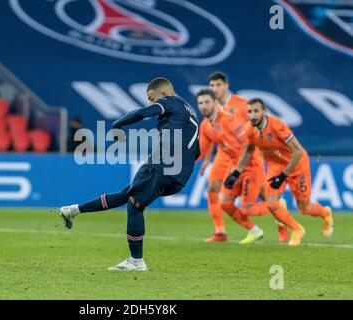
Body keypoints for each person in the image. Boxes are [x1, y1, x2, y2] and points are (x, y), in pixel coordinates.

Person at [58, 77, 200, 271]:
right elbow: (197, 152)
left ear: (163, 94)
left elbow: (142, 113)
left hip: (161, 165)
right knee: (129, 195)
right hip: (179, 177)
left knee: (134, 204)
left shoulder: (169, 101)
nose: (152, 102)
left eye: (152, 98)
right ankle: (73, 210)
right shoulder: (190, 113)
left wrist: (117, 124)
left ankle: (136, 261)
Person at [225, 98, 334, 245]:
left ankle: (325, 213)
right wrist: (236, 172)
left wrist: (283, 176)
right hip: (275, 166)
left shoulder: (278, 126)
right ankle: (297, 229)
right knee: (271, 203)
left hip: (297, 165)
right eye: (249, 112)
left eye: (256, 111)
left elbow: (298, 153)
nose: (252, 115)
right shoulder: (250, 129)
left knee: (304, 208)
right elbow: (249, 151)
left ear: (264, 111)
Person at [199, 72, 289, 243]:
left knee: (262, 194)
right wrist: (206, 159)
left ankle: (280, 216)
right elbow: (211, 133)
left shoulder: (241, 104)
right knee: (213, 189)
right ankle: (220, 231)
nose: (215, 89)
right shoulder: (212, 106)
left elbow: (258, 125)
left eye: (218, 85)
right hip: (224, 154)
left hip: (247, 153)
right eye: (212, 86)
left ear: (225, 85)